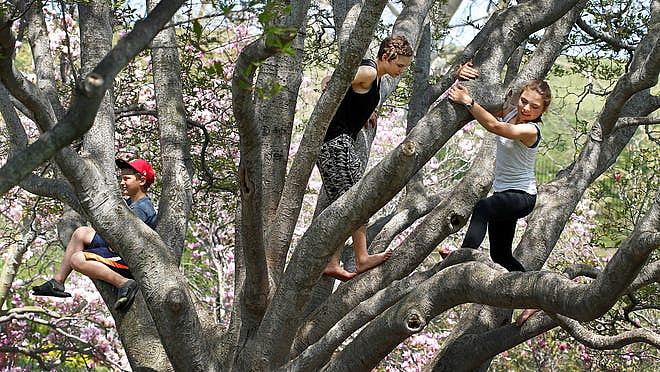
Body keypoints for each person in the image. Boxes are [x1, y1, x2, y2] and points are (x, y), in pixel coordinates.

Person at [448, 76, 552, 325]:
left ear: (543, 110)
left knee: (482, 208)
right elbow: (493, 108)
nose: (526, 108)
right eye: (524, 101)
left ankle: (465, 255)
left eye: (534, 107)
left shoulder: (531, 129)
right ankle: (536, 300)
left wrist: (468, 101)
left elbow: (495, 127)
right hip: (504, 194)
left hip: (522, 197)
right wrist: (463, 74)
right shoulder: (511, 112)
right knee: (501, 255)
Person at [316, 35, 414, 280]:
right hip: (334, 145)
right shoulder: (369, 72)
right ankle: (360, 258)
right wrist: (332, 84)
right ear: (386, 57)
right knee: (354, 201)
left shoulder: (376, 79)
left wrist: (367, 108)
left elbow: (354, 94)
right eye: (399, 65)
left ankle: (335, 261)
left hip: (342, 143)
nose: (401, 71)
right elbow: (333, 81)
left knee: (351, 201)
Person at [32, 158, 157, 311]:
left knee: (77, 259)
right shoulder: (132, 204)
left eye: (127, 178)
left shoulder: (142, 208)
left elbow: (123, 240)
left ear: (142, 180)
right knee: (80, 233)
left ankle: (124, 283)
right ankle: (57, 282)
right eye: (121, 178)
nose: (122, 182)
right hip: (117, 249)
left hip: (126, 259)